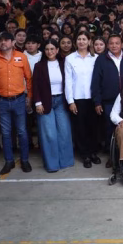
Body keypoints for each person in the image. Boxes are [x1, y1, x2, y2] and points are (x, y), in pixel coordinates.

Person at [0, 31, 33, 175]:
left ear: (13, 43)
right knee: (5, 133)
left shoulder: (22, 57)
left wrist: (30, 97)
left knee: (22, 131)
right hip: (1, 101)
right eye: (1, 40)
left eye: (6, 40)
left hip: (19, 100)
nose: (3, 42)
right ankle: (9, 161)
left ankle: (25, 160)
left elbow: (29, 79)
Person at [92, 34, 123, 160]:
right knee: (109, 127)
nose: (114, 46)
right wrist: (97, 102)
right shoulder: (101, 59)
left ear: (122, 45)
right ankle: (112, 156)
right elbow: (96, 81)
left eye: (117, 43)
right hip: (108, 100)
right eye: (111, 43)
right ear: (107, 45)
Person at [32, 39, 74, 173]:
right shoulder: (39, 66)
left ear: (57, 50)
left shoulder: (64, 63)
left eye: (52, 49)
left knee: (64, 132)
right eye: (47, 49)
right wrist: (38, 103)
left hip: (61, 101)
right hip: (45, 102)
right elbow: (35, 86)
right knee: (49, 134)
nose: (50, 51)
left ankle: (66, 161)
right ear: (44, 51)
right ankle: (52, 164)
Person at [65, 32, 101, 168]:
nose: (81, 42)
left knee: (93, 127)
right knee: (80, 128)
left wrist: (98, 99)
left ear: (89, 41)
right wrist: (70, 101)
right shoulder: (70, 58)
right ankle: (85, 154)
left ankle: (93, 152)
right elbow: (68, 81)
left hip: (93, 98)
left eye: (84, 39)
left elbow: (99, 80)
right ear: (75, 42)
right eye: (79, 39)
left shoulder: (96, 58)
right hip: (78, 98)